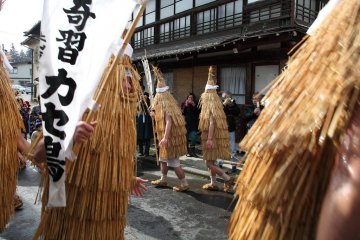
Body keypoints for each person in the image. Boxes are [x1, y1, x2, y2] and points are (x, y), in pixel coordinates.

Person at [33, 43, 148, 239]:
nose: (130, 86)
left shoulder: (124, 122)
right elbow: (37, 155)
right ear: (106, 76)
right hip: (71, 215)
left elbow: (112, 158)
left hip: (107, 218)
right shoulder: (73, 105)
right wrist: (67, 136)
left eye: (131, 79)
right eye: (125, 78)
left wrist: (126, 178)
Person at [150, 66, 189, 192]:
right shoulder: (164, 103)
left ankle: (184, 184)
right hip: (164, 138)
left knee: (174, 163)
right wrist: (154, 115)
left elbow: (168, 121)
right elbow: (160, 118)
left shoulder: (167, 105)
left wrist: (166, 138)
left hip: (169, 139)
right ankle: (163, 179)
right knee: (163, 160)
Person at [199, 66, 234, 192]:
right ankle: (213, 183)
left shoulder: (210, 103)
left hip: (211, 136)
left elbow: (212, 122)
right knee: (211, 162)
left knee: (208, 163)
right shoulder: (217, 102)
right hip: (212, 136)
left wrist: (209, 139)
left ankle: (227, 178)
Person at [222, 91, 240, 173]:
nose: (227, 99)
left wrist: (232, 105)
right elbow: (220, 113)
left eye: (229, 97)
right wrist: (224, 104)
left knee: (232, 148)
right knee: (222, 147)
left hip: (231, 128)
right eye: (225, 97)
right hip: (222, 128)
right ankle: (219, 163)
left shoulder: (233, 104)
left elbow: (237, 113)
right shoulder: (221, 104)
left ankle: (233, 165)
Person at [181, 93, 199, 157]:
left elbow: (198, 113)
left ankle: (192, 151)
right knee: (186, 138)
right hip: (186, 123)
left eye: (191, 98)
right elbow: (183, 112)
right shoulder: (184, 104)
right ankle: (188, 151)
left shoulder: (196, 104)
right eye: (189, 98)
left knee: (194, 137)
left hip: (194, 124)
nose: (190, 99)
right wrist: (186, 105)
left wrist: (193, 105)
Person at [136, 91, 153, 156]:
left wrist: (145, 101)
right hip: (140, 122)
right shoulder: (139, 103)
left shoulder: (149, 104)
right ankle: (140, 151)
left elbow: (148, 110)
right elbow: (138, 109)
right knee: (140, 137)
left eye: (145, 97)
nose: (143, 97)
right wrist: (141, 101)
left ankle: (146, 152)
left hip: (147, 122)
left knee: (147, 138)